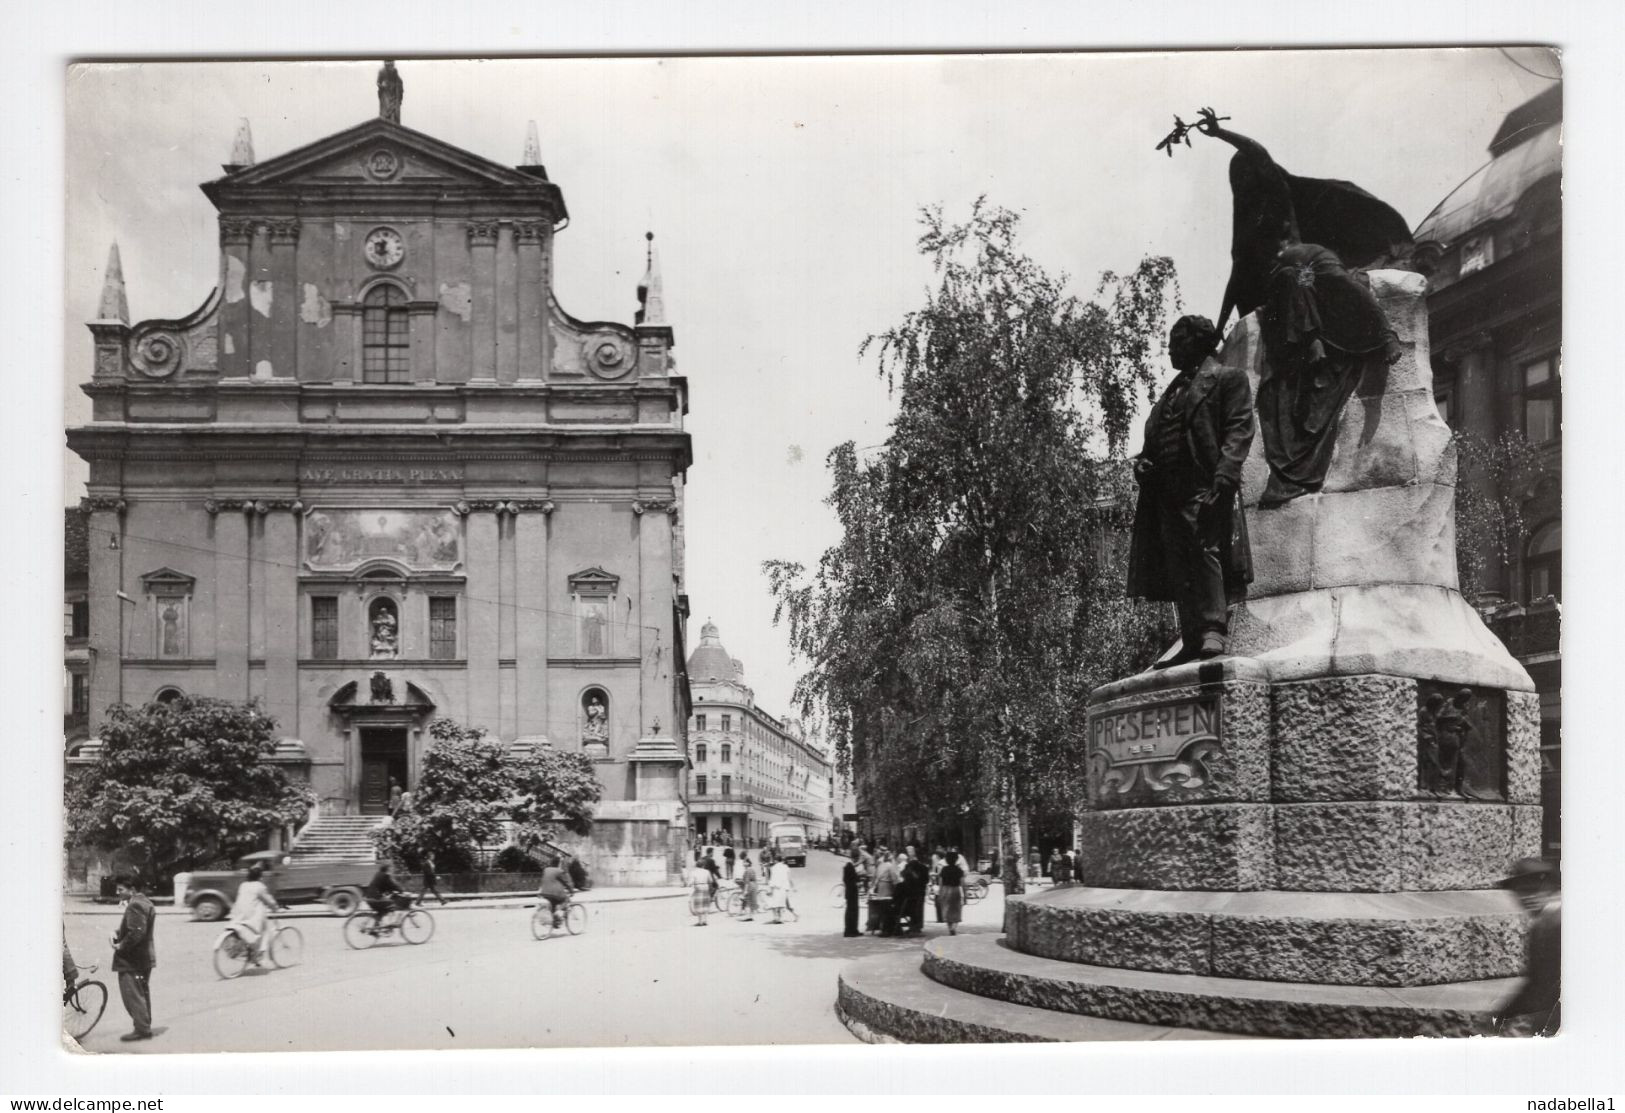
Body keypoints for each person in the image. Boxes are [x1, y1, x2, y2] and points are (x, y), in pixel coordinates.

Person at [1126, 314, 1256, 665]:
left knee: (1204, 549)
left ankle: (1214, 628)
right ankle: (1191, 636)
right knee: (1177, 561)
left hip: (1203, 485)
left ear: (1195, 343)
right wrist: (1143, 464)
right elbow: (1153, 442)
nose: (1169, 351)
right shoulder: (1171, 393)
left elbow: (1240, 428)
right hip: (1166, 492)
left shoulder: (1227, 378)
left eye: (1175, 343)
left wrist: (1225, 477)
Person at [1494, 858, 1561, 1036]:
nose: (1529, 897)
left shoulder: (1552, 922)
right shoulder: (1544, 921)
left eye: (1535, 890)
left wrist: (1504, 1014)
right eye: (1522, 891)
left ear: (1552, 888)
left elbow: (1539, 983)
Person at [109, 874, 156, 1041]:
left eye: (121, 889)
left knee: (133, 995)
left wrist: (120, 945)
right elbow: (136, 928)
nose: (117, 892)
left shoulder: (134, 905)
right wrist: (118, 932)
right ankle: (144, 1025)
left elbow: (136, 933)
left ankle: (142, 1029)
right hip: (143, 958)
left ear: (132, 889)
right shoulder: (145, 902)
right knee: (141, 993)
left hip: (132, 960)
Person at [227, 864, 280, 964]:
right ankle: (256, 954)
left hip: (238, 913)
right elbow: (268, 900)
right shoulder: (259, 886)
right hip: (249, 915)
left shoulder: (243, 885)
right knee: (263, 929)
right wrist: (275, 907)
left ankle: (252, 952)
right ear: (260, 877)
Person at [538, 856, 576, 929]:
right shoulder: (559, 871)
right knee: (565, 900)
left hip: (544, 892)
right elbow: (566, 882)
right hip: (554, 893)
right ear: (558, 863)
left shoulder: (546, 870)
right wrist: (571, 890)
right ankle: (557, 914)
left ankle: (554, 921)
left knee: (553, 904)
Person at [902, 847, 931, 936]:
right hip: (920, 891)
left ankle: (914, 926)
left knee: (912, 909)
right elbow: (926, 880)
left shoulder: (908, 867)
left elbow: (903, 877)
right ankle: (917, 926)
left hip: (910, 891)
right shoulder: (924, 867)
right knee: (918, 909)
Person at [870, 852, 900, 936]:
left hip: (880, 889)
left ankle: (884, 928)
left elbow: (874, 877)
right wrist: (896, 888)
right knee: (888, 910)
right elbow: (894, 879)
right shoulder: (890, 866)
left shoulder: (880, 865)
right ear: (891, 858)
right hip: (887, 889)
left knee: (883, 910)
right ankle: (888, 930)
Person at [938, 852, 966, 936]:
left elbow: (940, 883)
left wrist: (940, 893)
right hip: (956, 890)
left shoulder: (944, 869)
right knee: (956, 909)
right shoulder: (959, 870)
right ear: (956, 860)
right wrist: (965, 895)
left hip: (946, 889)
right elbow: (963, 883)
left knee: (947, 910)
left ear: (946, 860)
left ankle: (950, 927)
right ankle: (954, 927)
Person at [766, 853, 795, 925]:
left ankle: (776, 918)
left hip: (776, 887)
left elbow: (772, 879)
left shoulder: (773, 868)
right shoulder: (786, 867)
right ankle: (781, 918)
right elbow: (789, 878)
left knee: (774, 903)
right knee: (782, 903)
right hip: (784, 887)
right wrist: (792, 887)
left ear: (775, 860)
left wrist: (770, 888)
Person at [688, 856, 715, 927]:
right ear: (703, 865)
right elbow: (711, 881)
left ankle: (700, 921)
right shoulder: (707, 872)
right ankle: (705, 920)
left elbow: (690, 882)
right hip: (706, 887)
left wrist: (690, 884)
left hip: (698, 888)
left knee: (699, 904)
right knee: (705, 903)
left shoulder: (693, 872)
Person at [842, 847, 862, 938]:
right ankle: (851, 930)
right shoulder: (850, 867)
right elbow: (852, 880)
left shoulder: (848, 866)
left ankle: (851, 929)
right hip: (852, 892)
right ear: (855, 857)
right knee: (852, 911)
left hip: (850, 892)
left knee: (851, 911)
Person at [737, 854, 759, 922]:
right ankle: (751, 916)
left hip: (749, 886)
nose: (744, 863)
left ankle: (748, 916)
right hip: (754, 885)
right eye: (744, 862)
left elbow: (746, 882)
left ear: (748, 863)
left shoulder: (747, 871)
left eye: (745, 862)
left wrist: (745, 891)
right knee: (752, 900)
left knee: (748, 901)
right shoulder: (752, 869)